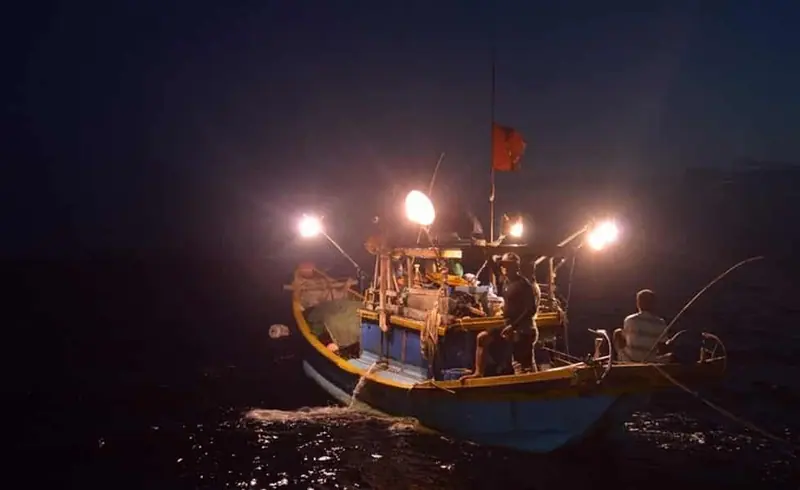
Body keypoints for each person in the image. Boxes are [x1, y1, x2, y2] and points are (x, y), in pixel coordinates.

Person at [461, 252, 539, 380]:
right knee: (482, 338)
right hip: (508, 324)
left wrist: (513, 326)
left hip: (524, 328)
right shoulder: (505, 281)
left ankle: (531, 383)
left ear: (516, 267)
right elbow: (494, 263)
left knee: (524, 367)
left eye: (509, 266)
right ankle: (478, 373)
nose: (505, 268)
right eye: (503, 265)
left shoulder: (523, 284)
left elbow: (531, 309)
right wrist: (491, 254)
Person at [613, 289, 669, 362]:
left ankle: (620, 360)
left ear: (638, 303)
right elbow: (662, 347)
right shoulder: (661, 323)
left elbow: (625, 340)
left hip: (630, 359)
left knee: (617, 332)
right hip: (651, 360)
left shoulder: (630, 320)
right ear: (653, 304)